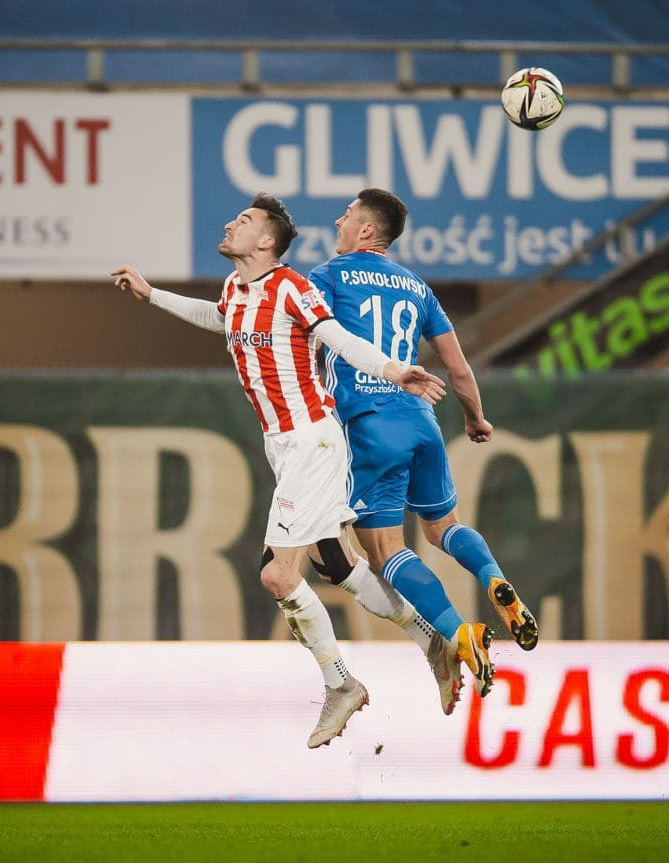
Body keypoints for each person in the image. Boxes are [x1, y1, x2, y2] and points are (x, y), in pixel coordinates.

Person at [111, 193, 483, 746]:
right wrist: (152, 295)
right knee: (337, 563)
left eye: (244, 220)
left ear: (267, 241)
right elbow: (218, 318)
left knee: (277, 576)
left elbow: (337, 336)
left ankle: (341, 684)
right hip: (286, 446)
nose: (230, 223)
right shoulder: (236, 290)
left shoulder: (291, 287)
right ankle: (433, 641)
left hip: (313, 441)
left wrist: (392, 369)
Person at [308, 188, 539, 692]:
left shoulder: (327, 276)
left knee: (385, 552)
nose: (338, 222)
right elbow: (458, 368)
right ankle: (494, 578)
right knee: (443, 528)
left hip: (367, 422)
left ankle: (459, 632)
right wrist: (476, 418)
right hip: (421, 418)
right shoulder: (417, 287)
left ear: (367, 229)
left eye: (347, 215)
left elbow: (298, 332)